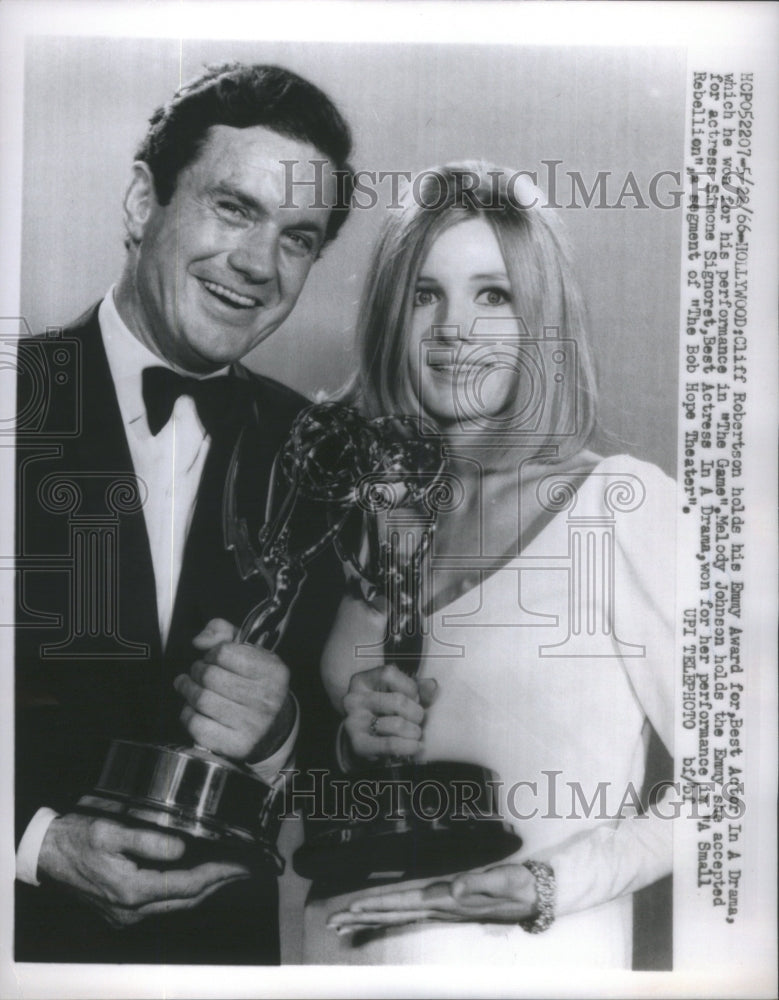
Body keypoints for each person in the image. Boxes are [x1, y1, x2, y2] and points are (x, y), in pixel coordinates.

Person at [14, 62, 352, 964]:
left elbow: (349, 770)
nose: (256, 264)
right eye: (234, 208)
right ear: (141, 201)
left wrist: (281, 739)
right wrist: (36, 842)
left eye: (298, 238)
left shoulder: (321, 453)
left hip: (221, 961)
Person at [303, 162, 675, 967]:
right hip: (328, 960)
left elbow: (745, 780)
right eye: (424, 293)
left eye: (492, 295)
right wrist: (349, 747)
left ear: (541, 322)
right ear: (387, 317)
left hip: (524, 964)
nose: (452, 329)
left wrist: (549, 884)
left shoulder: (619, 506)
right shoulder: (356, 520)